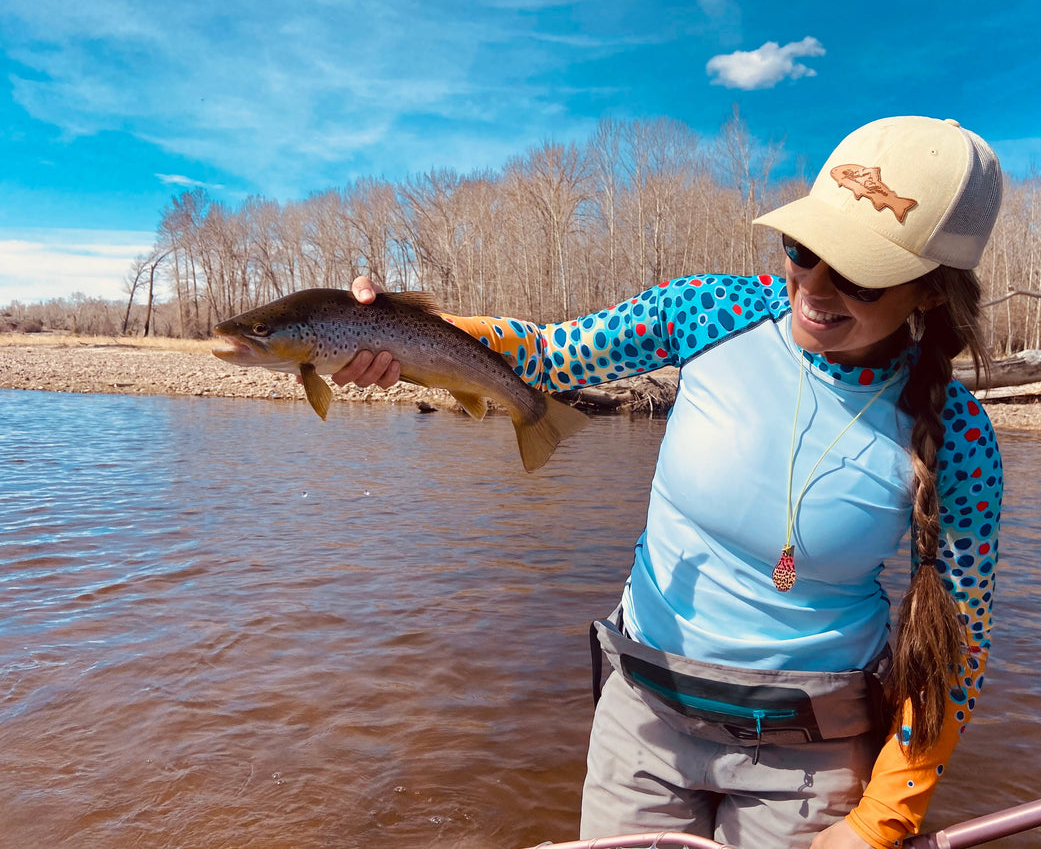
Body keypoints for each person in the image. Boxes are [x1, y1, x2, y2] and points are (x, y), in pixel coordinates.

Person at [335, 116, 1003, 849]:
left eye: (858, 272)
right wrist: (402, 332)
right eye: (804, 249)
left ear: (932, 292)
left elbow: (955, 644)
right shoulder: (709, 312)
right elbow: (549, 356)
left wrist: (885, 815)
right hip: (644, 720)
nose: (814, 285)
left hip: (811, 754)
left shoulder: (960, 438)